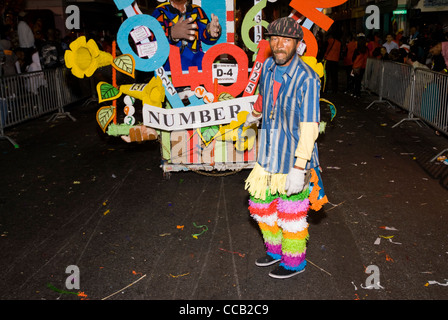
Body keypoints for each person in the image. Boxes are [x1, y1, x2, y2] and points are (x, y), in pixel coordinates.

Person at [244, 17, 328, 279]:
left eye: (287, 40)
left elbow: (310, 127)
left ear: (298, 44)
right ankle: (275, 250)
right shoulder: (268, 66)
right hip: (267, 155)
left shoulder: (308, 79)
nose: (279, 45)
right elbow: (263, 96)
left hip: (292, 160)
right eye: (275, 39)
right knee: (261, 208)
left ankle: (294, 262)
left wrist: (298, 167)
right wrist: (255, 113)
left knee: (291, 216)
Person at [151, 0, 222, 71]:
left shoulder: (197, 10)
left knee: (209, 67)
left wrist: (212, 31)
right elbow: (153, 41)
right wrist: (171, 34)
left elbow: (206, 37)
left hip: (196, 58)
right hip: (170, 63)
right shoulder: (160, 11)